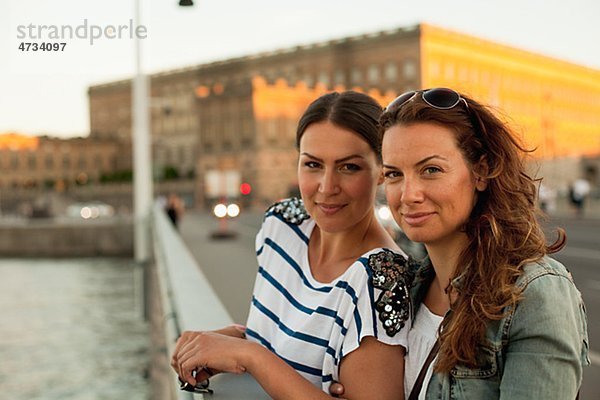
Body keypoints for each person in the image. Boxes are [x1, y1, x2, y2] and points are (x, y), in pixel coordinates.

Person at [331, 88, 589, 399]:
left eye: (431, 170)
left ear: (480, 171)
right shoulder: (401, 290)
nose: (408, 194)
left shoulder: (533, 293)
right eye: (394, 174)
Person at [171, 91, 414, 399]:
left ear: (382, 171)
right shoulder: (282, 226)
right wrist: (234, 342)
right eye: (312, 165)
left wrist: (252, 356)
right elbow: (286, 338)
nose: (327, 187)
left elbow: (269, 361)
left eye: (349, 167)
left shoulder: (382, 280)